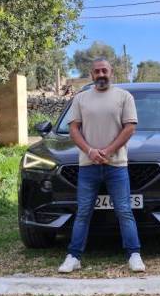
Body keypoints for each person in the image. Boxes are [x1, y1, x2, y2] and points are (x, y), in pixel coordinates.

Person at [58, 58, 146, 273]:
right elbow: (74, 130)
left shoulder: (124, 97)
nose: (101, 74)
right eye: (97, 71)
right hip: (88, 165)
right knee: (83, 212)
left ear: (111, 72)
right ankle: (74, 256)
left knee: (124, 211)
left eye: (104, 70)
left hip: (116, 165)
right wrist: (90, 151)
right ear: (91, 74)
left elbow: (129, 128)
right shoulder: (80, 98)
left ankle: (134, 255)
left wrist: (108, 151)